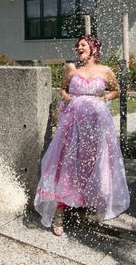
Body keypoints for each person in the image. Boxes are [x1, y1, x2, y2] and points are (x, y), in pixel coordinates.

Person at [34, 34, 130, 235]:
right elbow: (62, 89)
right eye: (77, 45)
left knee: (93, 161)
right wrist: (70, 98)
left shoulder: (106, 70)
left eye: (83, 44)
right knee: (67, 162)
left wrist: (102, 100)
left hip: (96, 125)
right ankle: (59, 213)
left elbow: (116, 90)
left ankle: (86, 201)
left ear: (93, 48)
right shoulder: (71, 69)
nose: (78, 47)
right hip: (73, 124)